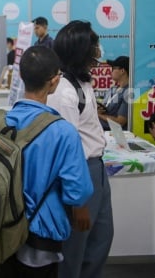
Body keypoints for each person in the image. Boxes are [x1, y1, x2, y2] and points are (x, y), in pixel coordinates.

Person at [0, 46, 94, 278]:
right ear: (54, 81)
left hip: (1, 225)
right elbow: (77, 190)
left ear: (21, 77)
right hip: (42, 229)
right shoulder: (63, 132)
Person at [46, 20, 113, 278]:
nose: (99, 50)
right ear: (82, 50)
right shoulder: (63, 92)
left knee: (100, 241)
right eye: (95, 44)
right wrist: (77, 201)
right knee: (74, 249)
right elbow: (66, 150)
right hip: (80, 174)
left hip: (96, 170)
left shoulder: (83, 82)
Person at [98, 56, 130, 131]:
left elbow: (120, 121)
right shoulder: (111, 90)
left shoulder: (130, 92)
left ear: (122, 71)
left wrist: (98, 115)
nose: (110, 71)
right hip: (101, 132)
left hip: (116, 136)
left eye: (113, 68)